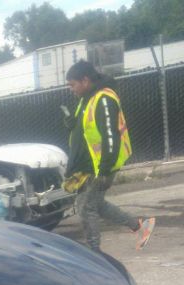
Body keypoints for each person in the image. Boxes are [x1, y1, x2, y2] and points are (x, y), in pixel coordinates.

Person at [63, 60, 155, 251]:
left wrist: (105, 169)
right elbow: (86, 128)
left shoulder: (104, 99)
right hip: (88, 165)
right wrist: (73, 122)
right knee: (97, 204)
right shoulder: (86, 98)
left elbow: (110, 134)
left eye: (72, 85)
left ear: (85, 80)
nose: (71, 89)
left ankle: (93, 253)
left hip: (99, 166)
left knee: (85, 207)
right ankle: (139, 226)